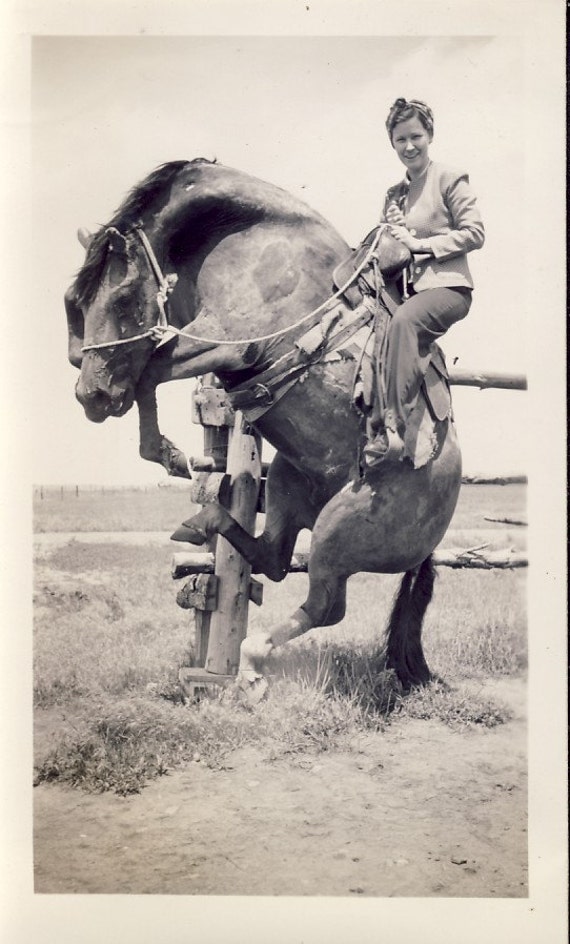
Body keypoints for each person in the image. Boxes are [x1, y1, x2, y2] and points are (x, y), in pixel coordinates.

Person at [363, 97, 485, 466]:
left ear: (429, 134)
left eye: (416, 136)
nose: (409, 146)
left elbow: (475, 232)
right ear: (393, 144)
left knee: (404, 321)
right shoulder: (394, 194)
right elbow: (391, 246)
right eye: (401, 140)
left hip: (448, 288)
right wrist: (392, 230)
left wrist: (421, 245)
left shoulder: (449, 177)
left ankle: (392, 429)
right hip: (406, 291)